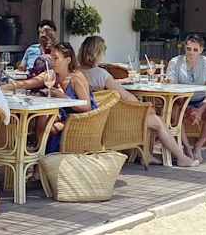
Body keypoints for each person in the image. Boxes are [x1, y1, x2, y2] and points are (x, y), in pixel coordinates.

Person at [77, 36, 198, 167]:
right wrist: (140, 107)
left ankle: (146, 154)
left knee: (150, 114)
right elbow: (126, 97)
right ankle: (181, 157)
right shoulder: (101, 73)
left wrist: (119, 82)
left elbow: (102, 86)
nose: (105, 53)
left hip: (99, 117)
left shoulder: (78, 72)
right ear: (98, 52)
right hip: (114, 119)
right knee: (157, 120)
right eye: (103, 50)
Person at [165, 35, 206, 161]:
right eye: (188, 49)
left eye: (195, 50)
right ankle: (186, 147)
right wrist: (185, 106)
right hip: (181, 101)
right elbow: (172, 88)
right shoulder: (175, 62)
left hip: (201, 102)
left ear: (201, 50)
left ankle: (198, 146)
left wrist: (201, 109)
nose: (191, 53)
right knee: (172, 111)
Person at [44, 43, 96, 154]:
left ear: (68, 60)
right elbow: (30, 83)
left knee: (49, 127)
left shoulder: (76, 77)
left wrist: (64, 98)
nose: (51, 62)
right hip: (64, 118)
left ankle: (42, 159)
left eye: (56, 58)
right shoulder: (53, 77)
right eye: (51, 57)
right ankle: (39, 158)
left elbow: (87, 107)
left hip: (80, 121)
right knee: (39, 120)